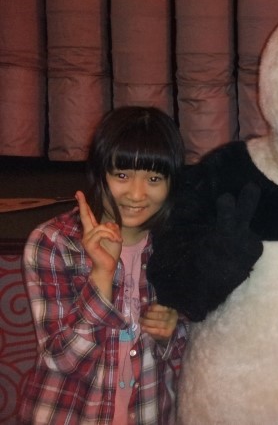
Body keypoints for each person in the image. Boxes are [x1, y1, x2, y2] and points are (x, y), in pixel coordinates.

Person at [19, 106, 189, 425]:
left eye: (154, 178)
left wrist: (172, 334)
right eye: (122, 175)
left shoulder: (179, 245)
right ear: (100, 174)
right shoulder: (53, 243)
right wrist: (101, 275)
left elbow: (190, 350)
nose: (136, 194)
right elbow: (62, 361)